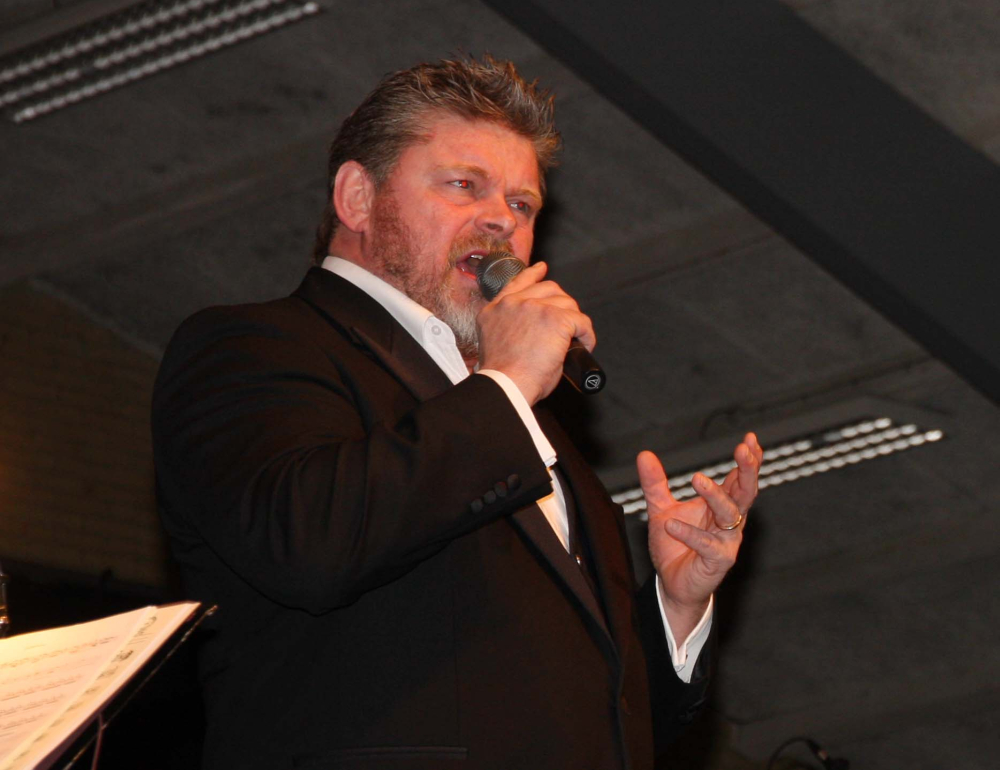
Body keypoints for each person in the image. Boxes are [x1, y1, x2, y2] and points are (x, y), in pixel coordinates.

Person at [152, 55, 762, 770]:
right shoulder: (254, 347)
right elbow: (308, 539)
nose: (501, 220)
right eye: (464, 185)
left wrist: (677, 607)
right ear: (357, 198)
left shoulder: (529, 431)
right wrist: (509, 383)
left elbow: (599, 719)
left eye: (523, 205)